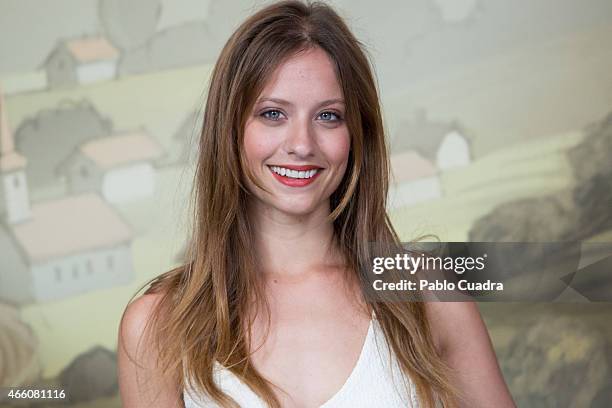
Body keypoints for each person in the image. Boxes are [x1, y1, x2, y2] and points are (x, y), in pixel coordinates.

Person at [117, 1, 516, 407]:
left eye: (328, 117)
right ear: (229, 129)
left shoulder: (428, 298)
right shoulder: (157, 325)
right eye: (273, 114)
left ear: (357, 134)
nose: (302, 145)